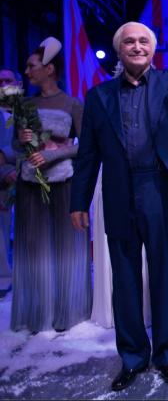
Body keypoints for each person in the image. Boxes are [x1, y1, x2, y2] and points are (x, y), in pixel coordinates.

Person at [70, 14, 168, 391]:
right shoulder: (98, 97)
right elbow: (88, 155)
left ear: (153, 50)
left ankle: (166, 355)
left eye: (144, 41)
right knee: (124, 281)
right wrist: (78, 202)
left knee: (162, 276)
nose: (137, 46)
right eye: (129, 41)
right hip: (118, 194)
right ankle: (132, 357)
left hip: (159, 191)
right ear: (118, 50)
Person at [11, 37, 91, 333]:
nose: (27, 71)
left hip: (63, 181)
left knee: (66, 246)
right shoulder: (25, 105)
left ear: (49, 69)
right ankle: (39, 312)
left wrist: (53, 154)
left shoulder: (72, 104)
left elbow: (86, 146)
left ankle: (67, 310)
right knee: (34, 247)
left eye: (32, 66)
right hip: (31, 183)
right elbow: (15, 147)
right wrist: (22, 141)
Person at [90, 168, 168, 328]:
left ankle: (165, 335)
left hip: (160, 184)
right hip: (116, 186)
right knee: (124, 272)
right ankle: (130, 335)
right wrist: (79, 202)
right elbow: (88, 155)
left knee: (162, 269)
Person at [0, 68, 20, 298]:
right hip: (3, 180)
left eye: (8, 80)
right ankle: (4, 279)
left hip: (28, 175)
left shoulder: (28, 110)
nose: (4, 85)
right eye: (0, 81)